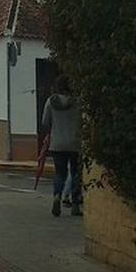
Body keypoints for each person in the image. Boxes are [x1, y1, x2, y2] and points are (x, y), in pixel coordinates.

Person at [41, 74, 83, 217]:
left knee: (60, 172)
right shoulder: (78, 101)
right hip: (75, 143)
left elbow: (45, 122)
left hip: (57, 143)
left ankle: (57, 196)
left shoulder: (50, 101)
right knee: (76, 173)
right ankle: (75, 204)